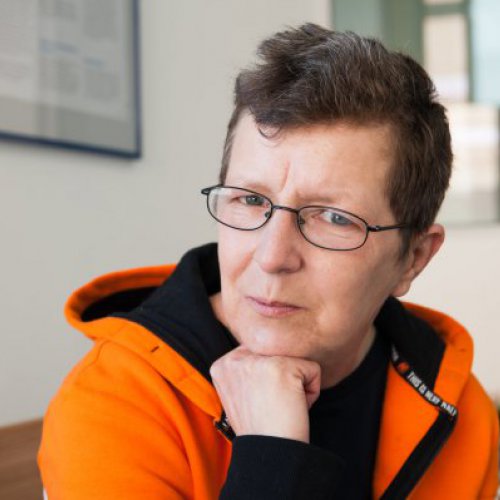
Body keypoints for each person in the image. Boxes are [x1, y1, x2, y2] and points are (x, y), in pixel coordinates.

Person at [38, 24, 498, 499]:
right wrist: (272, 456)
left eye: (334, 218)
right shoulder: (114, 403)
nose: (272, 256)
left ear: (414, 258)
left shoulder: (462, 414)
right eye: (250, 200)